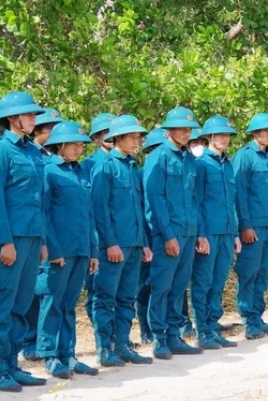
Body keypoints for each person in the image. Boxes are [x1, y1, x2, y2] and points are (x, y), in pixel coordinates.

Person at [0, 91, 49, 392]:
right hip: (8, 241)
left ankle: (13, 365)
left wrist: (43, 240)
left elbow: (40, 200)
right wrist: (5, 242)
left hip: (32, 238)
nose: (35, 119)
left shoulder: (33, 152)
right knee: (3, 306)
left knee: (21, 305)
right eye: (30, 115)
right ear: (13, 118)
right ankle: (0, 371)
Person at [36, 121, 100, 378]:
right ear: (59, 145)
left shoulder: (82, 172)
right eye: (73, 144)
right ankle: (49, 355)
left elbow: (90, 214)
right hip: (58, 252)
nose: (78, 149)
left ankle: (68, 355)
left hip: (80, 249)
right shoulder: (47, 171)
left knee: (69, 304)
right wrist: (53, 249)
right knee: (52, 302)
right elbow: (43, 214)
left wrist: (93, 251)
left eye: (80, 144)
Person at [91, 115, 153, 367]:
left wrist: (145, 242)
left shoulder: (131, 167)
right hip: (114, 246)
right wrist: (109, 243)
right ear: (117, 139)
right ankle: (105, 348)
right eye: (132, 136)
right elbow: (99, 210)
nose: (137, 140)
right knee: (106, 297)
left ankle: (123, 344)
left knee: (127, 296)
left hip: (135, 244)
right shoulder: (105, 167)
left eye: (139, 136)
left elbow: (140, 208)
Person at [143, 107, 204, 359]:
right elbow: (155, 200)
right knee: (161, 286)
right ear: (168, 131)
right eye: (181, 128)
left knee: (179, 287)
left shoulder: (189, 158)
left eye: (189, 129)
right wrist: (167, 235)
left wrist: (199, 232)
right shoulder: (158, 157)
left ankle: (174, 335)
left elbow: (194, 198)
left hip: (189, 232)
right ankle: (158, 337)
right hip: (168, 234)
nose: (186, 133)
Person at [232, 113, 268, 340]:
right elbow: (238, 195)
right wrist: (244, 225)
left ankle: (258, 316)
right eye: (266, 131)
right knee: (249, 271)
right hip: (253, 227)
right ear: (254, 133)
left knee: (264, 271)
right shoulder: (244, 157)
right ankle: (248, 320)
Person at [190, 116, 241, 350]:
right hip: (208, 233)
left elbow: (231, 202)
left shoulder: (227, 164)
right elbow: (196, 202)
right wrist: (200, 234)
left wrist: (236, 233)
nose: (224, 139)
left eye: (227, 135)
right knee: (203, 282)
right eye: (219, 135)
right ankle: (202, 332)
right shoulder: (201, 164)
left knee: (219, 281)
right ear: (209, 137)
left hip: (226, 233)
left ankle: (213, 327)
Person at [22, 107, 64, 361]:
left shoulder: (53, 159)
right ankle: (29, 341)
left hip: (55, 237)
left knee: (48, 289)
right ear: (37, 131)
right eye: (50, 129)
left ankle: (45, 342)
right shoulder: (32, 156)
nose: (55, 133)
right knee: (34, 289)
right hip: (35, 232)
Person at [81, 113, 116, 324]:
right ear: (96, 138)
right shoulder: (90, 164)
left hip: (120, 232)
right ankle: (101, 334)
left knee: (117, 289)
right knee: (96, 287)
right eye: (106, 133)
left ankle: (115, 334)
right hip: (96, 235)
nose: (111, 137)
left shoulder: (124, 162)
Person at [135, 127, 167, 345]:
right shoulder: (139, 173)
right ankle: (145, 330)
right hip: (144, 238)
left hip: (160, 236)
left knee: (161, 284)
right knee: (143, 286)